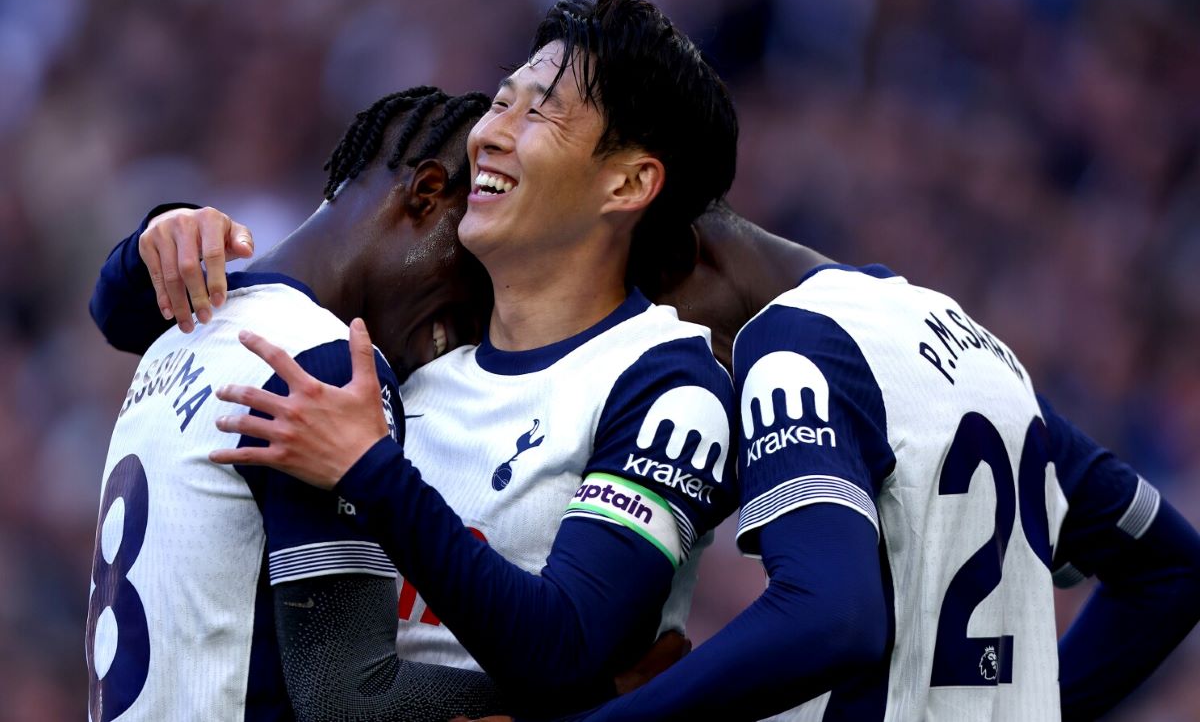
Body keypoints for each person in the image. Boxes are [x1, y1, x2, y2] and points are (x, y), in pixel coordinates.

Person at [197, 200, 1200, 722]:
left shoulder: (786, 348)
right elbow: (1171, 565)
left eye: (629, 316)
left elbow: (828, 613)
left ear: (681, 267)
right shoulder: (953, 338)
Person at [91, 0, 739, 720]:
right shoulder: (396, 370)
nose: (491, 133)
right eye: (502, 101)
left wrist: (373, 470)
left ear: (628, 181)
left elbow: (568, 644)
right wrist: (155, 245)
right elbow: (344, 690)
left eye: (539, 111)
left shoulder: (663, 380)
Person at [85, 86, 521, 721]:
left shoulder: (187, 330)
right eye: (474, 281)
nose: (462, 333)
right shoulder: (325, 367)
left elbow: (109, 307)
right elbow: (353, 702)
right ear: (426, 195)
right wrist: (583, 695)